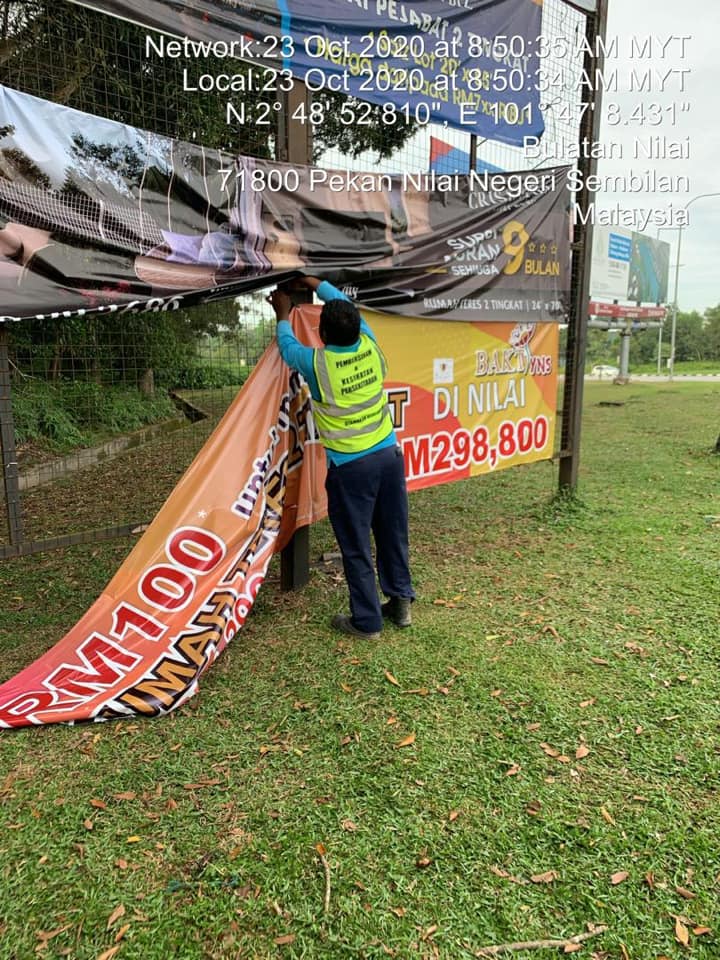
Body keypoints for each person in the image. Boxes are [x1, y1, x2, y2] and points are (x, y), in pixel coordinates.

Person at [269, 277, 414, 640]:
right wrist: (316, 282)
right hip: (389, 457)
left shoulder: (318, 365)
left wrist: (283, 313)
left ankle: (366, 622)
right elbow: (348, 308)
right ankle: (400, 603)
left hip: (352, 470)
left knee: (356, 546)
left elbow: (287, 347)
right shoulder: (368, 343)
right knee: (392, 533)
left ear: (322, 334)